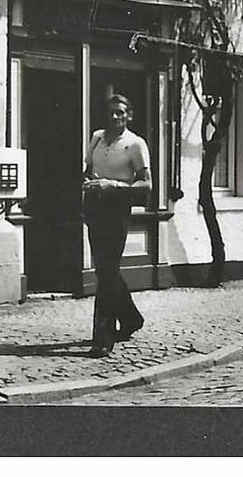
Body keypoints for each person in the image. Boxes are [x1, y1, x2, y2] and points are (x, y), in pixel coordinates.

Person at [83, 94, 151, 357]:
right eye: (111, 112)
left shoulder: (135, 144)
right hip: (95, 207)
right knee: (105, 270)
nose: (115, 117)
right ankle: (131, 318)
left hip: (117, 209)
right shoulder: (97, 138)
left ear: (129, 116)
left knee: (107, 272)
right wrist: (89, 180)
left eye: (120, 113)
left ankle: (103, 337)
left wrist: (114, 186)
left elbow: (146, 184)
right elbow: (88, 167)